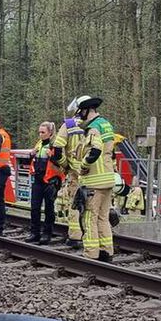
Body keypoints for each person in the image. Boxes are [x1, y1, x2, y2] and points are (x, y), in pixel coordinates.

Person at [74, 96, 117, 262]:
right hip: (108, 178)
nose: (80, 117)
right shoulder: (106, 124)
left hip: (94, 181)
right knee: (103, 217)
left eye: (80, 113)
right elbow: (110, 152)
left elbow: (95, 150)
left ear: (86, 111)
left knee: (89, 217)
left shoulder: (93, 128)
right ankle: (106, 252)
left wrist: (83, 166)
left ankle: (91, 254)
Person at [52, 112, 87, 249]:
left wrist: (65, 165)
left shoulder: (69, 125)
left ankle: (75, 236)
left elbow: (57, 150)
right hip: (94, 172)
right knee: (93, 206)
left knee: (75, 204)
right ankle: (92, 236)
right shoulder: (98, 123)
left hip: (75, 172)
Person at [27, 122, 63, 244]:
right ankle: (34, 233)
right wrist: (31, 154)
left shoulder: (55, 145)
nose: (40, 134)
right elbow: (33, 160)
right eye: (39, 132)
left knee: (49, 209)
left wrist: (51, 156)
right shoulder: (39, 144)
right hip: (38, 179)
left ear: (50, 133)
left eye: (43, 132)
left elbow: (61, 163)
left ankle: (47, 234)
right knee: (34, 208)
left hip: (50, 181)